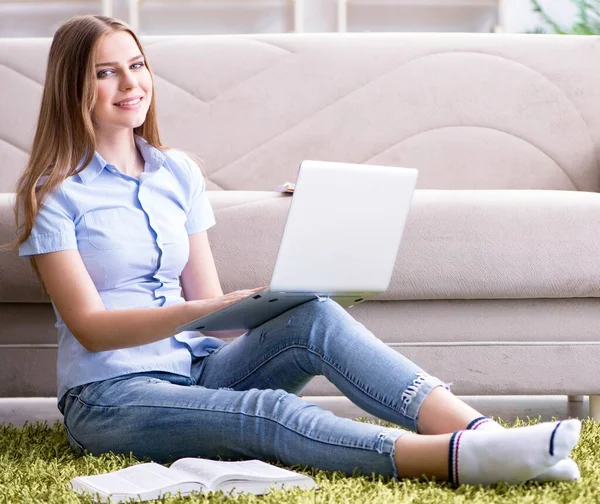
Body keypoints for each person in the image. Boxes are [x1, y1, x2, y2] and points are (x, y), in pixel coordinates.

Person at [13, 14, 582, 487]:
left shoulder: (177, 173)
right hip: (111, 397)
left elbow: (212, 311)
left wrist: (269, 301)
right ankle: (459, 461)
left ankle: (482, 432)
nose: (130, 83)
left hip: (200, 369)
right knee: (267, 413)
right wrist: (200, 313)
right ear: (75, 88)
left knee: (314, 316)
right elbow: (90, 328)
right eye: (106, 73)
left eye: (136, 65)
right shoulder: (53, 195)